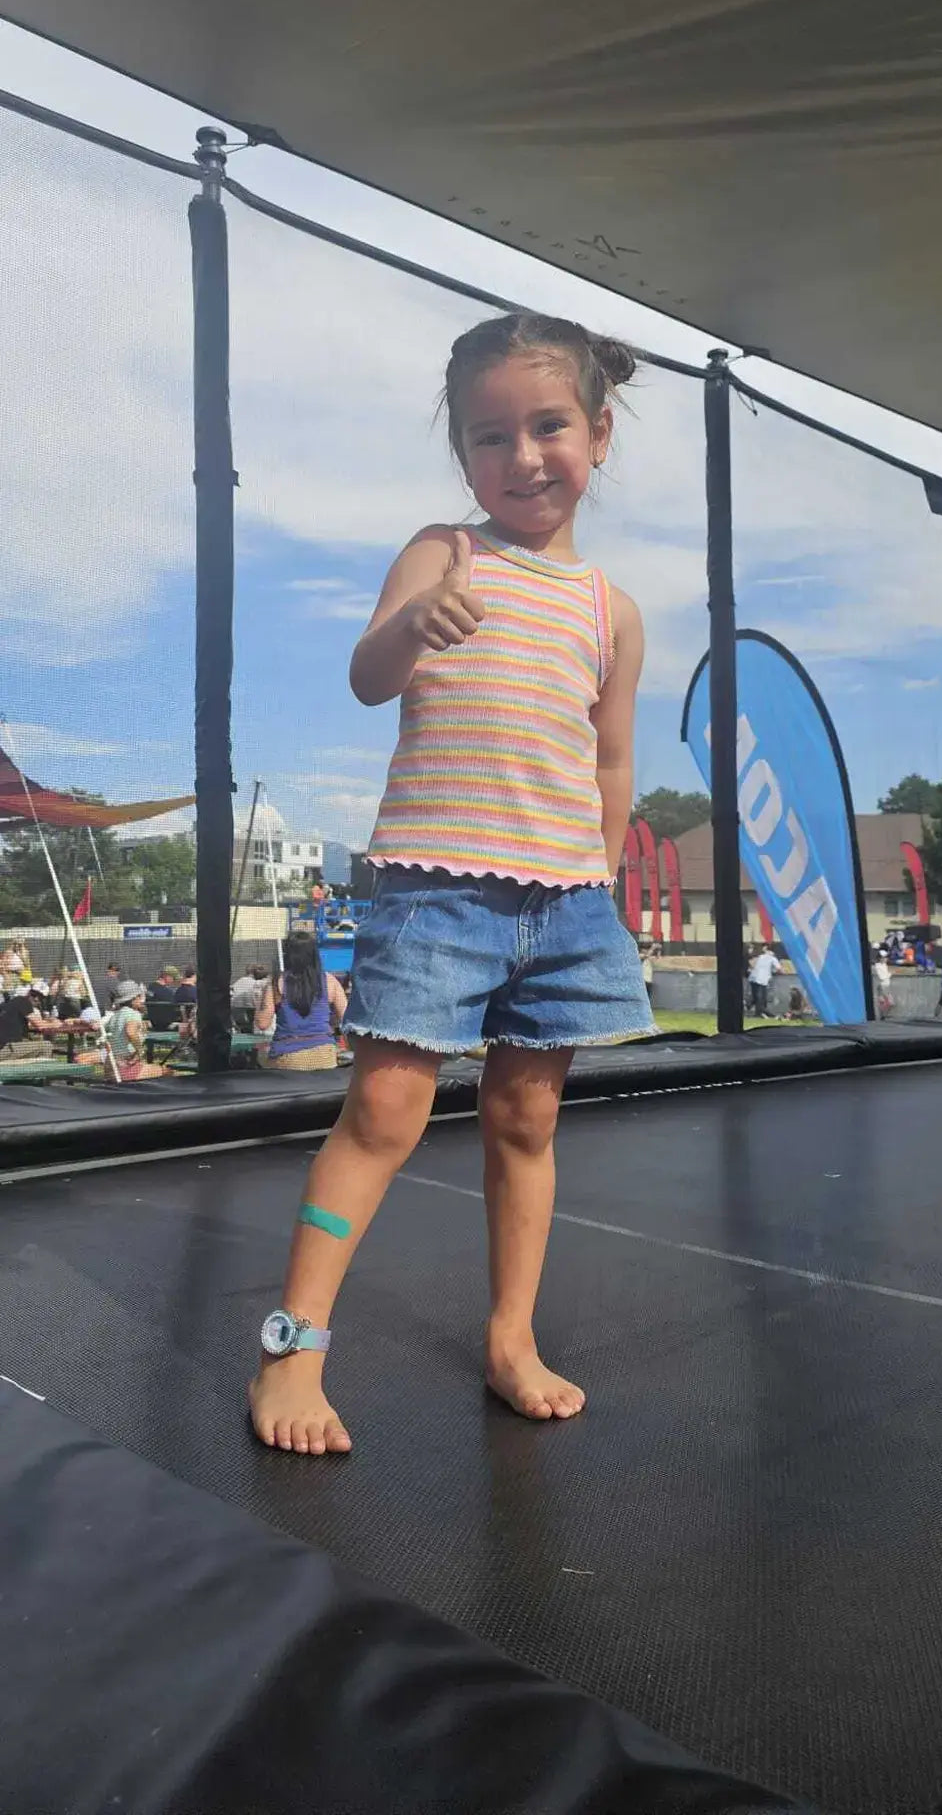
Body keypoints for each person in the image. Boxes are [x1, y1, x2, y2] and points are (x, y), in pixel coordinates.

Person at [249, 309, 652, 1457]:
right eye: (489, 436)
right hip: (436, 886)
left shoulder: (607, 609)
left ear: (598, 434)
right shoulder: (445, 552)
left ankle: (510, 1336)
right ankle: (291, 1343)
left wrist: (606, 861)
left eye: (547, 426)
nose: (521, 456)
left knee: (526, 1119)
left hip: (565, 896)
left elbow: (610, 750)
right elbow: (368, 673)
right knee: (382, 1109)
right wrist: (413, 623)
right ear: (463, 455)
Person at [254, 931, 347, 1072]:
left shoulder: (277, 983)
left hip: (288, 1056)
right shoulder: (330, 981)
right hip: (324, 1054)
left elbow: (262, 1023)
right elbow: (346, 1018)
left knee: (260, 1056)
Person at [103, 982, 166, 1080]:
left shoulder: (114, 1016)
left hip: (110, 1067)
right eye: (140, 997)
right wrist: (140, 1051)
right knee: (167, 1072)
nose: (143, 1000)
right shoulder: (133, 1014)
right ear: (133, 999)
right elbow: (131, 1032)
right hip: (124, 1069)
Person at [0, 987, 60, 1063]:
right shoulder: (23, 1001)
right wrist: (58, 1023)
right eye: (34, 994)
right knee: (46, 1045)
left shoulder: (8, 1004)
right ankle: (41, 1073)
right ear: (29, 993)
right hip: (5, 1049)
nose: (36, 999)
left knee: (30, 1041)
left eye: (40, 997)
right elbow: (40, 1026)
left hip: (7, 1047)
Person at [747, 944, 780, 1018]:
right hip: (762, 979)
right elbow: (778, 968)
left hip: (753, 978)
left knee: (756, 996)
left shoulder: (760, 957)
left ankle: (757, 1010)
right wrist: (773, 971)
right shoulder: (772, 958)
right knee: (761, 997)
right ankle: (761, 1012)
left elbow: (752, 965)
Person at [873, 950, 893, 1019]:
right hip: (882, 986)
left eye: (886, 957)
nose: (886, 959)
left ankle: (882, 1015)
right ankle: (881, 1015)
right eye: (884, 957)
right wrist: (889, 974)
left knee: (889, 1003)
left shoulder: (885, 965)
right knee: (888, 1002)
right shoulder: (877, 966)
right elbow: (881, 977)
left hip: (886, 985)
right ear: (880, 958)